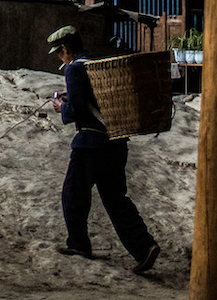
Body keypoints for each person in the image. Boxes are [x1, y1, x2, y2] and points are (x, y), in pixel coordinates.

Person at [47, 25, 161, 274]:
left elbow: (76, 109)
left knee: (73, 194)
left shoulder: (75, 69)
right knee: (116, 199)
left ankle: (78, 244)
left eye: (59, 53)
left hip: (90, 144)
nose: (60, 57)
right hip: (116, 142)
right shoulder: (97, 64)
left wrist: (61, 107)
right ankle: (144, 247)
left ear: (66, 49)